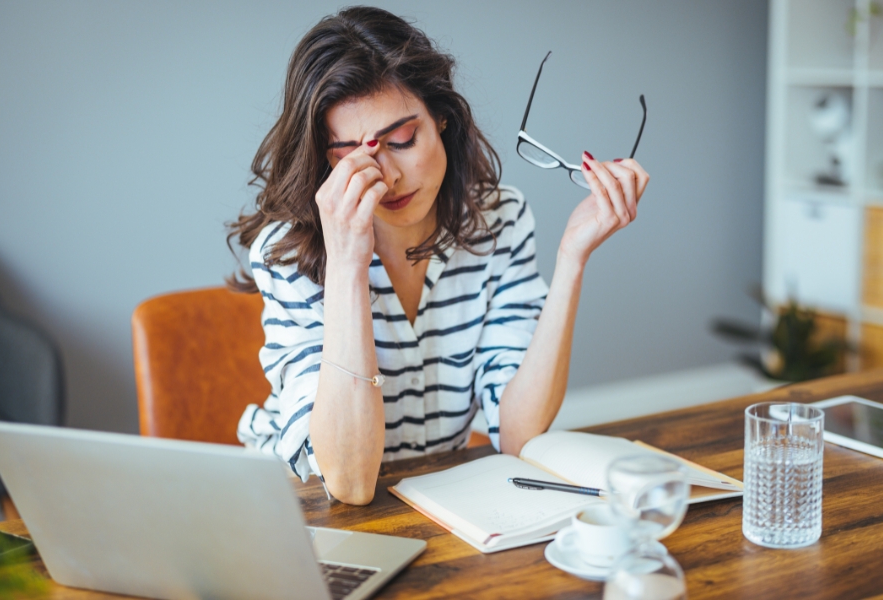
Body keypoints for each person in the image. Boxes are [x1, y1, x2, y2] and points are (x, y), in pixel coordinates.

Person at [229, 6, 648, 505]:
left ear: (442, 117)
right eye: (352, 157)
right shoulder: (287, 254)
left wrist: (572, 259)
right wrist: (346, 266)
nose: (388, 177)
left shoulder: (498, 221)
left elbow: (518, 437)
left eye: (402, 140)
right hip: (300, 508)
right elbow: (350, 482)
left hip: (433, 501)